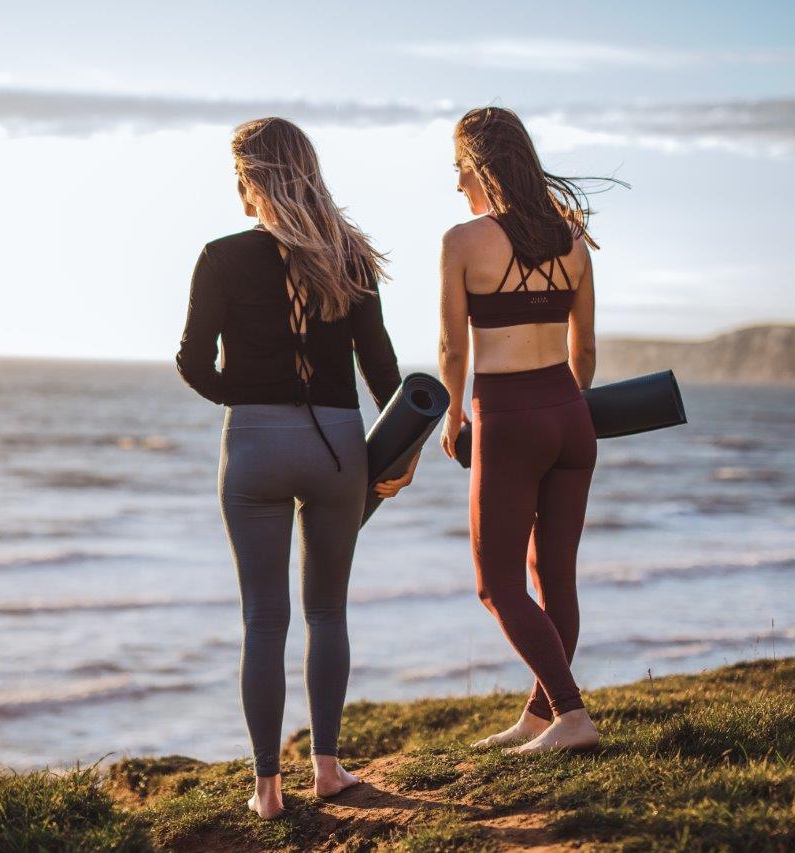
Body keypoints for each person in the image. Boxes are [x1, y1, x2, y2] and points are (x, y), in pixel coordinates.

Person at [176, 117, 415, 819]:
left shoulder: (219, 256)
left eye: (239, 175)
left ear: (254, 180)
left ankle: (267, 789)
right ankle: (330, 769)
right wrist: (399, 454)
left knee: (263, 618)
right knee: (327, 611)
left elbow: (193, 363)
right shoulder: (350, 258)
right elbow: (385, 374)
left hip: (253, 445)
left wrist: (246, 400)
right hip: (339, 446)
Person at [438, 106, 616, 753]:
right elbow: (586, 350)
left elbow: (452, 350)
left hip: (508, 417)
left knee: (499, 584)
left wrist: (455, 415)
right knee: (555, 577)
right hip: (571, 415)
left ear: (482, 167)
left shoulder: (463, 242)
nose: (457, 184)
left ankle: (571, 713)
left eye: (459, 169)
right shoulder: (573, 238)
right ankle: (542, 716)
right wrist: (561, 408)